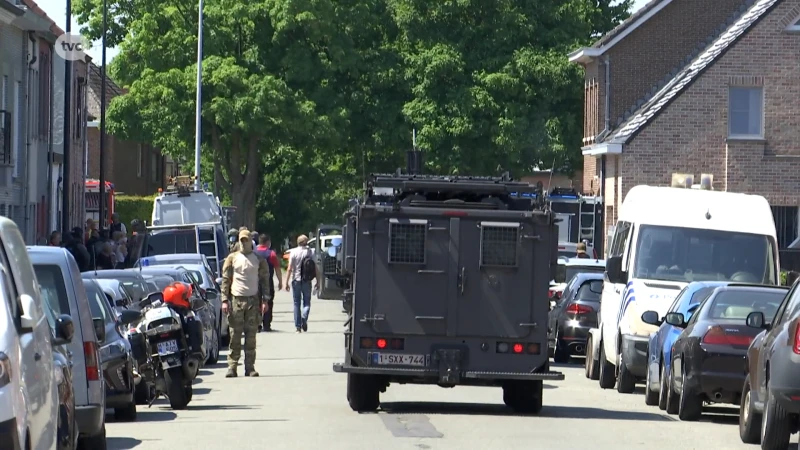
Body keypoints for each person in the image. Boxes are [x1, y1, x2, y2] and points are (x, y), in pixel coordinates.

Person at [220, 230, 270, 377]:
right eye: (241, 240)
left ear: (250, 242)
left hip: (253, 301)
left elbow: (264, 281)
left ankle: (250, 367)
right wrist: (224, 300)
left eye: (245, 240)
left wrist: (265, 300)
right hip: (236, 300)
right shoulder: (232, 258)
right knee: (235, 335)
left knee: (251, 336)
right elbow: (225, 279)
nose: (243, 243)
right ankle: (232, 367)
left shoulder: (259, 260)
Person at [284, 235, 319, 333]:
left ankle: (298, 327)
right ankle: (304, 316)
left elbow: (290, 268)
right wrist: (318, 281)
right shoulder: (311, 252)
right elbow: (316, 268)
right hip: (307, 280)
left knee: (296, 303)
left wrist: (286, 282)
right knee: (307, 302)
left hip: (296, 280)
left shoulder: (294, 252)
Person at [254, 234, 283, 332]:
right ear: (267, 242)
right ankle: (266, 324)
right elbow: (277, 269)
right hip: (268, 281)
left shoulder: (253, 253)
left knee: (256, 302)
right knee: (269, 302)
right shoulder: (271, 254)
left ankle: (257, 325)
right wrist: (280, 281)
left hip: (254, 281)